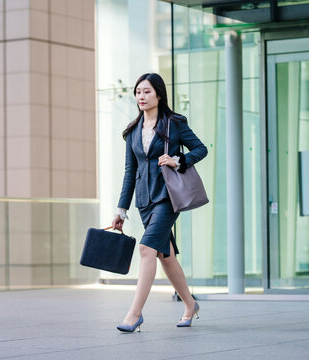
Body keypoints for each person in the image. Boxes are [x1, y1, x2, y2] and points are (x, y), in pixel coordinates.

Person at [112, 73, 208, 332]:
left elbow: (200, 148)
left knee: (146, 249)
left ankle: (134, 315)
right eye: (138, 92)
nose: (141, 96)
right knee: (166, 257)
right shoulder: (132, 131)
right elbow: (130, 172)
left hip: (168, 197)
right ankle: (190, 304)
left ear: (159, 95)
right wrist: (122, 208)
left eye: (147, 92)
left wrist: (178, 160)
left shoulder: (173, 123)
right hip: (144, 201)